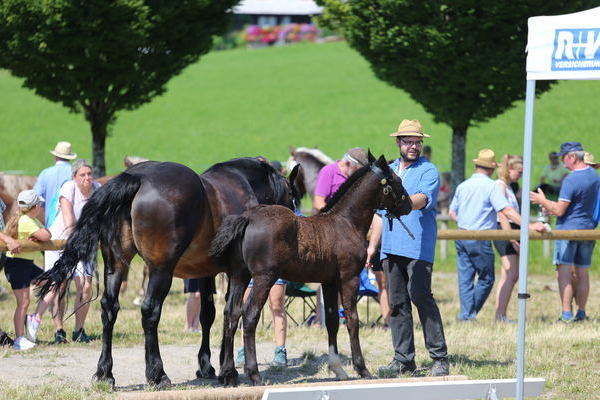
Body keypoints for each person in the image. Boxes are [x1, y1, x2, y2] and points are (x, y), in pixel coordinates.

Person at [367, 119, 449, 377]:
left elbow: (422, 199)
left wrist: (402, 203)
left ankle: (439, 358)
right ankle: (404, 360)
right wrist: (372, 246)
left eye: (417, 141)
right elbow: (379, 214)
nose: (414, 146)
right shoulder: (389, 170)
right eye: (408, 141)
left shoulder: (428, 170)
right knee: (398, 304)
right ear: (398, 142)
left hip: (418, 247)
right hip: (390, 248)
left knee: (421, 298)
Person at [449, 149, 545, 322]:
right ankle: (468, 315)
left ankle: (466, 315)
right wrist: (529, 225)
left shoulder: (462, 185)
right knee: (486, 278)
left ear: (477, 165)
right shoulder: (491, 186)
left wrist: (465, 222)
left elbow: (452, 213)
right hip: (480, 236)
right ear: (492, 168)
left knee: (465, 279)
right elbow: (506, 210)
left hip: (460, 234)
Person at [26, 159, 101, 344]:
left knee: (85, 287)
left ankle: (79, 330)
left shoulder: (98, 189)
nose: (87, 178)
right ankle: (54, 328)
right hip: (60, 241)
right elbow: (68, 215)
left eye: (89, 174)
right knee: (56, 286)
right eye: (82, 175)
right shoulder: (69, 187)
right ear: (74, 177)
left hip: (84, 244)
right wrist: (73, 236)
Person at [531, 142, 600, 323]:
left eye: (564, 158)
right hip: (587, 230)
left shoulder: (570, 180)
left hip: (567, 230)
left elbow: (561, 210)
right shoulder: (594, 176)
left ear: (572, 157)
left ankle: (566, 313)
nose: (562, 162)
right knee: (583, 272)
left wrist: (542, 200)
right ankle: (582, 312)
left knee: (564, 272)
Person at [312, 147, 368, 326]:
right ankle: (324, 315)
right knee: (326, 276)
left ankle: (343, 314)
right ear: (348, 164)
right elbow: (318, 202)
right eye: (358, 170)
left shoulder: (353, 177)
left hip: (346, 234)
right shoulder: (329, 172)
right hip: (327, 231)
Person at [3, 190, 51, 350]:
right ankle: (19, 338)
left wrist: (39, 235)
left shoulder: (31, 219)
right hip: (17, 263)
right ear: (36, 206)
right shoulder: (27, 221)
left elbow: (46, 234)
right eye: (40, 204)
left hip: (26, 263)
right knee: (23, 302)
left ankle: (33, 318)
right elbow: (46, 235)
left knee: (50, 283)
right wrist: (39, 235)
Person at [493, 155, 523, 323]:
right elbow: (502, 214)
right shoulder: (500, 186)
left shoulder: (510, 187)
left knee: (509, 275)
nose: (520, 175)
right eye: (518, 172)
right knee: (512, 273)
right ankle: (500, 314)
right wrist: (511, 239)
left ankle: (501, 314)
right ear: (509, 169)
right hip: (505, 231)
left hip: (513, 231)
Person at [236, 279, 289, 367]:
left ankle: (280, 351)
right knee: (247, 308)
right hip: (251, 270)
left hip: (274, 268)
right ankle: (244, 350)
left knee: (277, 306)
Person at [33, 141, 77, 226]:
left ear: (55, 156)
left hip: (51, 224)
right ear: (70, 157)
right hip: (72, 223)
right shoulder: (75, 173)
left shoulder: (45, 173)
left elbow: (36, 197)